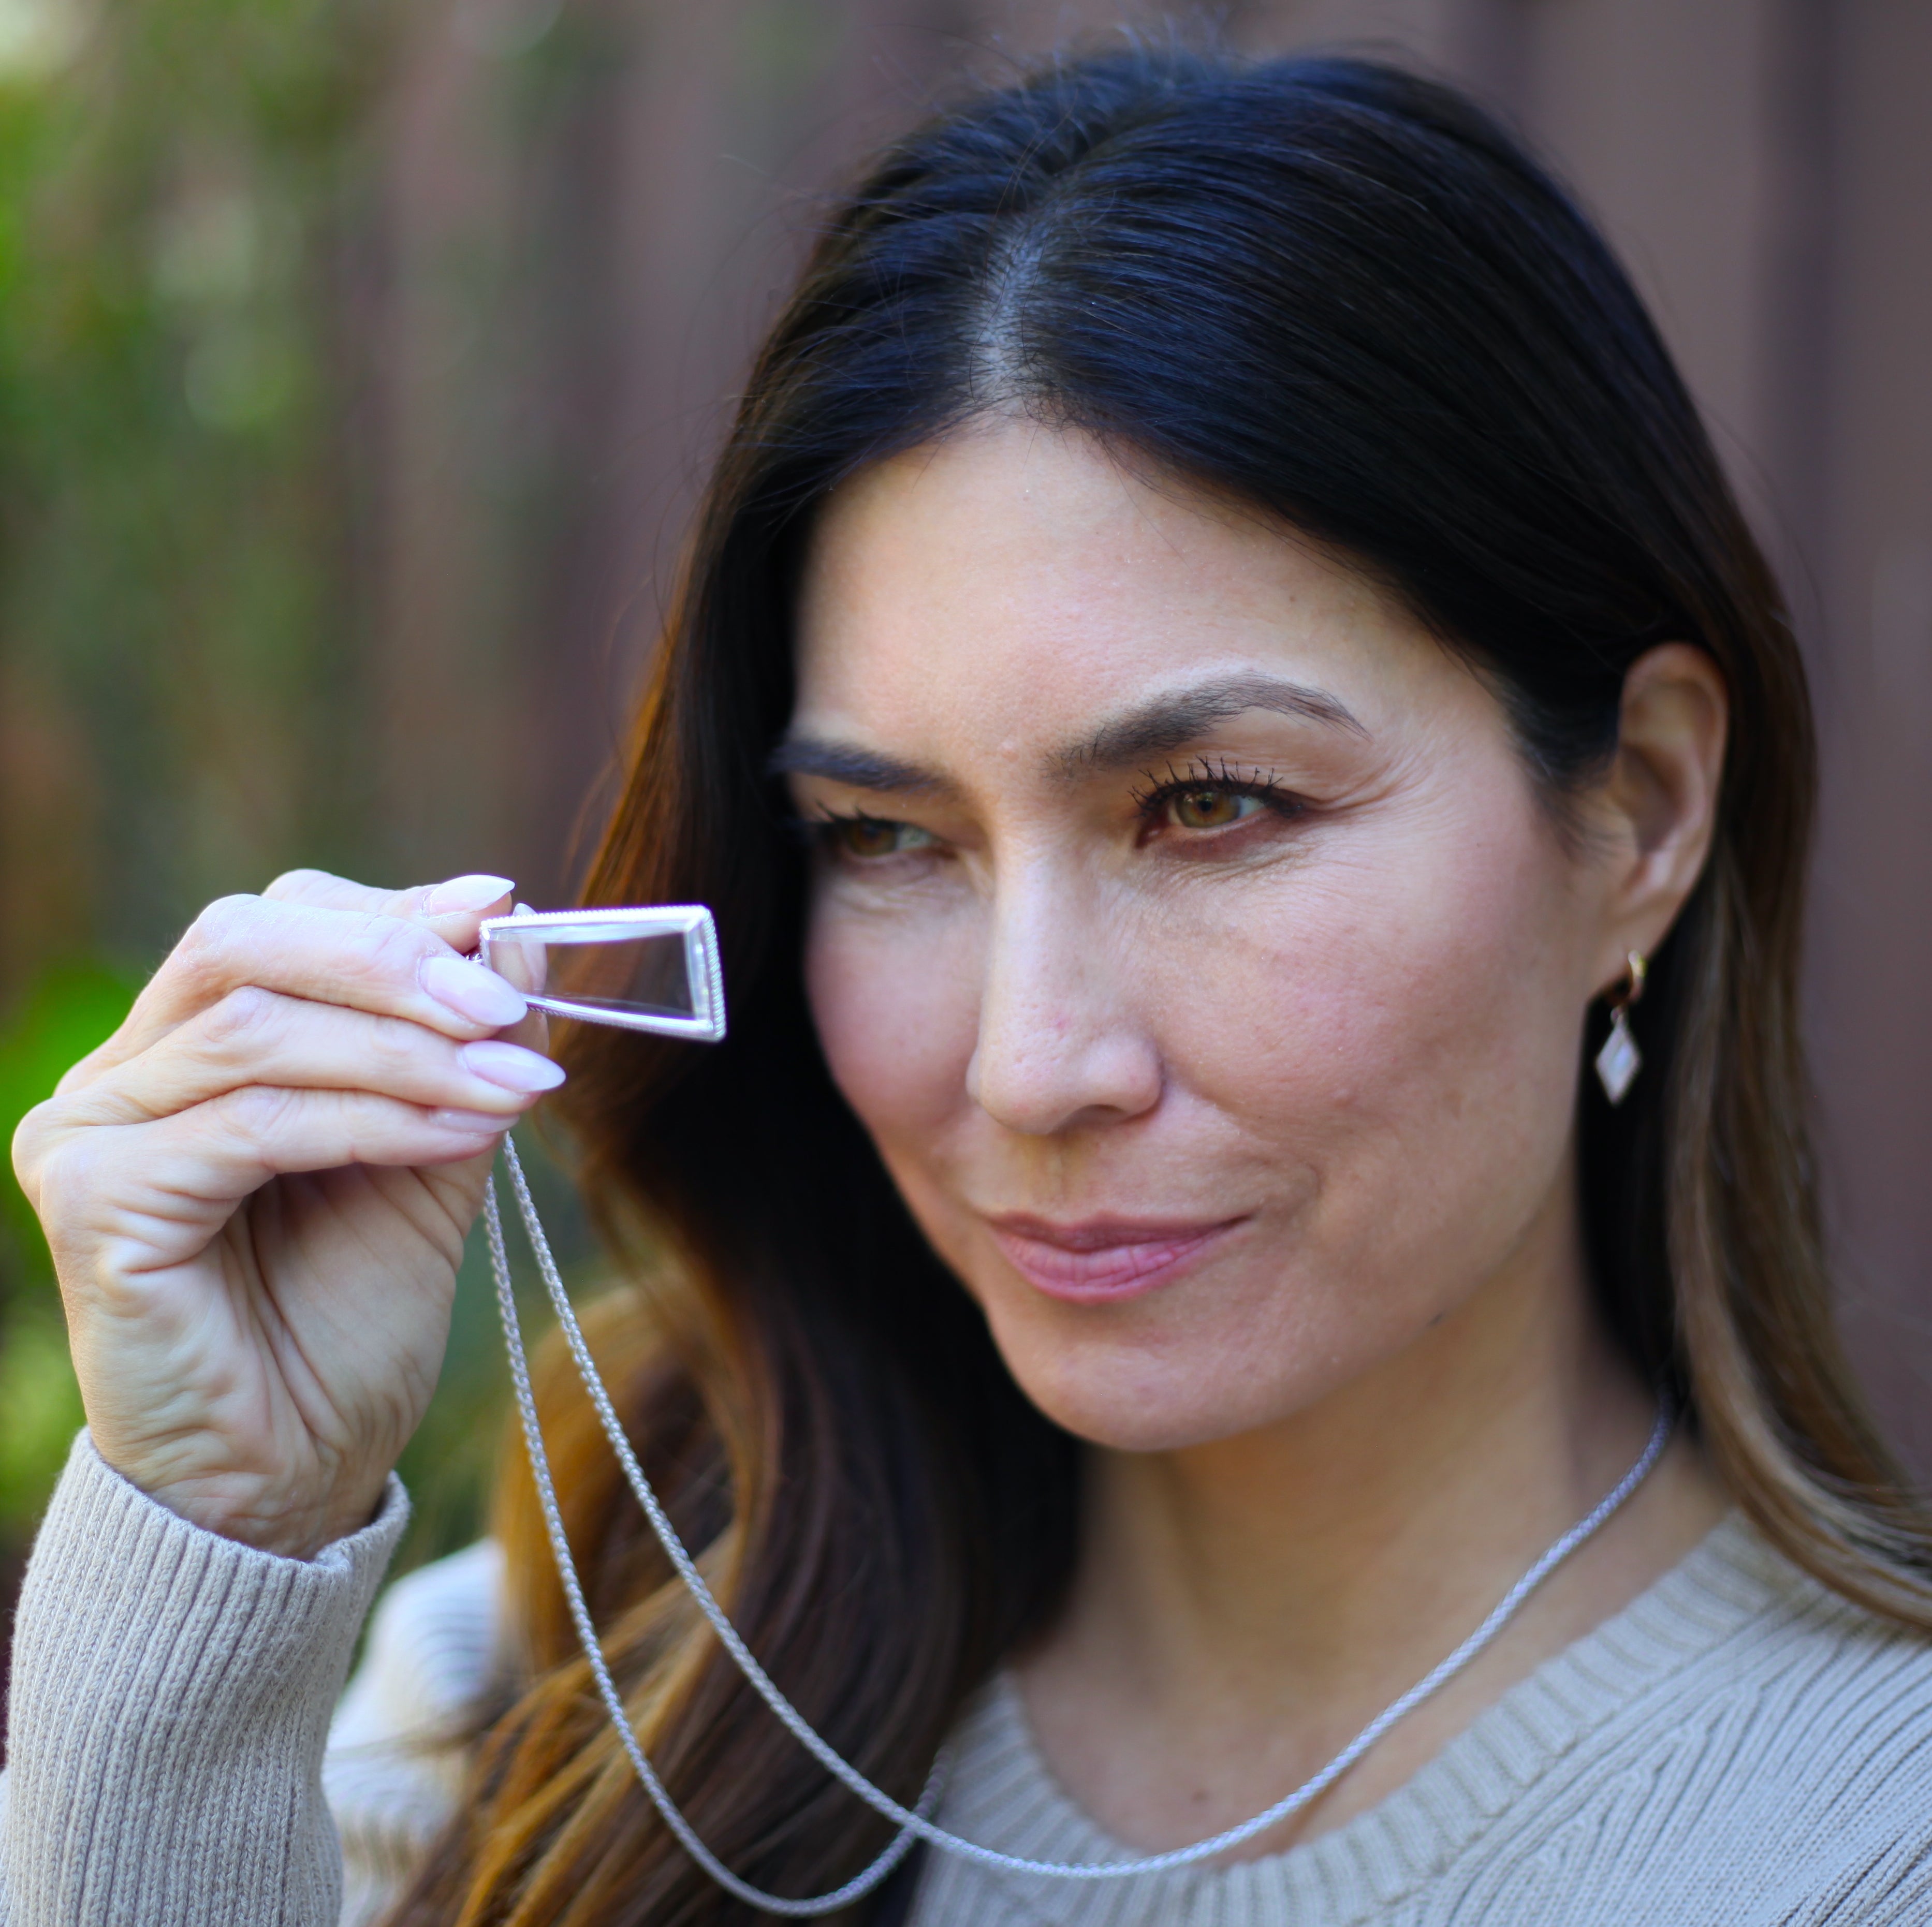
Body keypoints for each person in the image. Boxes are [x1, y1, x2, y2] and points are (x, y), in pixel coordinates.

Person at [7, 47, 1932, 1927]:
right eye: (885, 838)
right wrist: (215, 1548)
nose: (1029, 1064)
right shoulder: (587, 1679)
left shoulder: (1861, 1840)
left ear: (1645, 810)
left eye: (1208, 806)